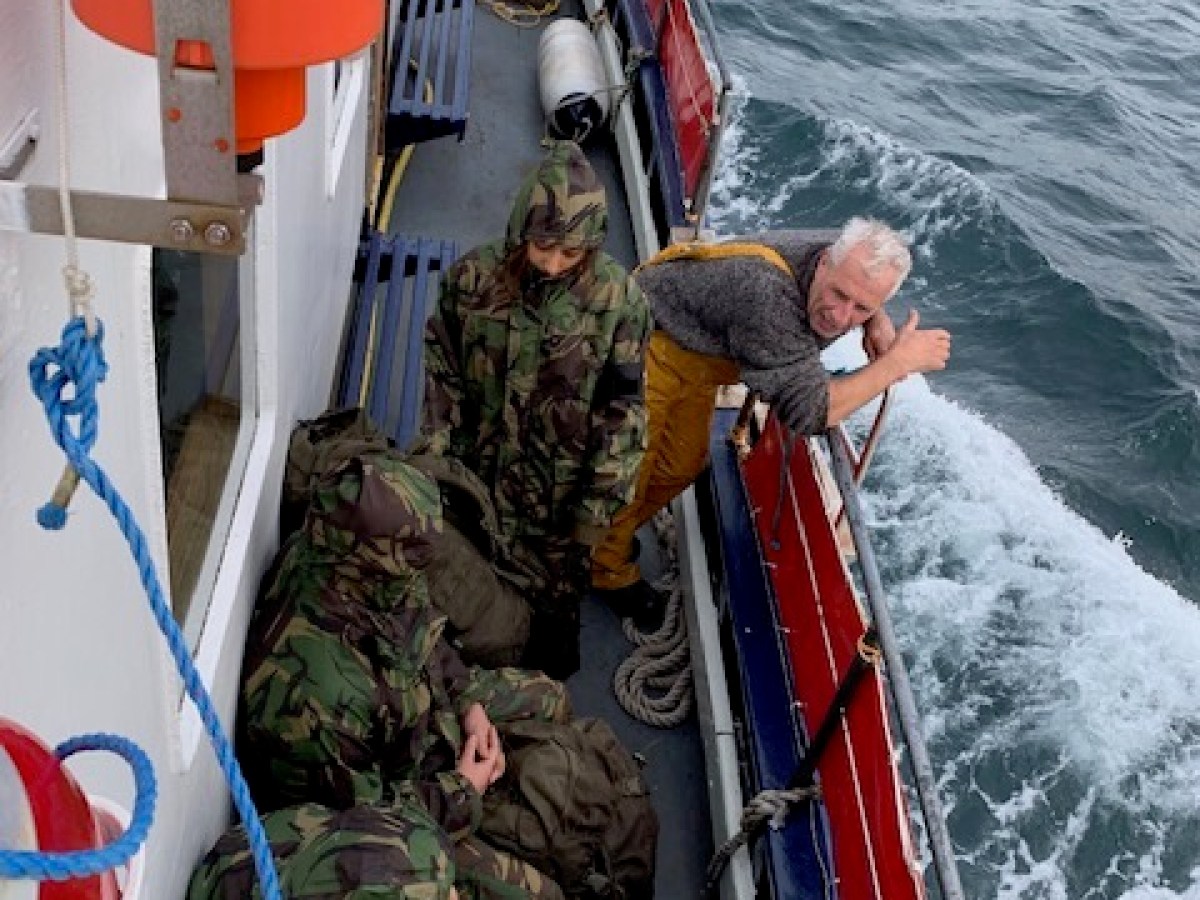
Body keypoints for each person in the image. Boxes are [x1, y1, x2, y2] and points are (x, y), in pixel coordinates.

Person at [590, 218, 952, 613]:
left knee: (680, 466)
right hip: (648, 341)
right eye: (838, 294)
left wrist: (878, 321)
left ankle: (605, 535)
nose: (839, 316)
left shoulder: (840, 248)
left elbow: (861, 283)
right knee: (626, 476)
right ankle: (603, 568)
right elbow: (812, 412)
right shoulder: (768, 301)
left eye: (861, 307)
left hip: (700, 355)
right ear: (823, 265)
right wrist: (895, 363)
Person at [418, 140, 650, 677]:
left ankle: (545, 688)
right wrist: (436, 459)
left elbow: (623, 410)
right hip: (479, 478)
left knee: (554, 615)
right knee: (471, 583)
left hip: (560, 499)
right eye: (542, 245)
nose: (551, 264)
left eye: (570, 254)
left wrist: (596, 510)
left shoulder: (619, 301)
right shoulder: (471, 282)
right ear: (522, 227)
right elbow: (443, 374)